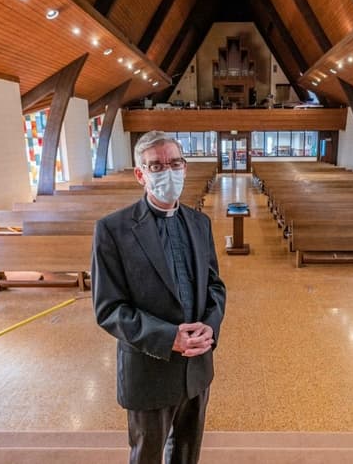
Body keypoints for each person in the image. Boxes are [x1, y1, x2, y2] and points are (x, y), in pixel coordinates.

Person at [92, 131, 226, 464]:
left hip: (196, 367)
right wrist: (169, 338)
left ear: (184, 167)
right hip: (148, 367)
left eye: (175, 163)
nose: (168, 171)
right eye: (156, 166)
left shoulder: (199, 223)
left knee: (186, 453)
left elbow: (214, 287)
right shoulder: (113, 229)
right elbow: (109, 309)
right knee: (147, 456)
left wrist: (210, 327)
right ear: (141, 174)